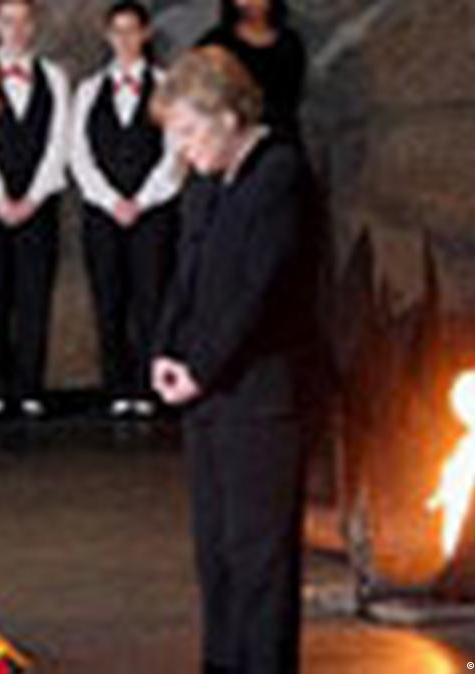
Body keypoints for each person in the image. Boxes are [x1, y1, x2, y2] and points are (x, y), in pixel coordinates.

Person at [152, 49, 318, 674]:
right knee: (216, 552)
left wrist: (203, 367)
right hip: (209, 391)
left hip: (263, 393)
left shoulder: (279, 172)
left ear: (227, 116)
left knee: (260, 555)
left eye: (189, 131)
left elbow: (259, 291)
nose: (183, 148)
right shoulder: (204, 182)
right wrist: (168, 351)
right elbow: (186, 275)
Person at [0, 0, 70, 420]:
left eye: (24, 21)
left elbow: (58, 142)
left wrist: (33, 197)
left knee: (34, 297)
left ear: (34, 24)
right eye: (8, 21)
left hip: (39, 204)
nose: (17, 29)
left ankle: (29, 387)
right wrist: (0, 197)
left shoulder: (54, 77)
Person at [70, 0, 184, 419]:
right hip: (103, 213)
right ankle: (118, 388)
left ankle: (150, 386)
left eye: (132, 30)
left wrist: (143, 199)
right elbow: (78, 153)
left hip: (154, 211)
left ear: (146, 34)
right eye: (117, 31)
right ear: (107, 36)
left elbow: (176, 152)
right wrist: (111, 200)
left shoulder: (166, 85)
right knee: (109, 298)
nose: (125, 39)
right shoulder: (88, 90)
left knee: (152, 299)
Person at [197, 0, 306, 140]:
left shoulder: (290, 44)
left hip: (272, 134)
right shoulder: (216, 42)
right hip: (220, 132)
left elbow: (287, 104)